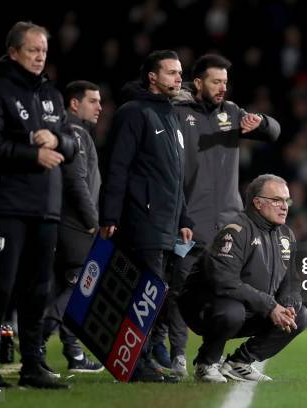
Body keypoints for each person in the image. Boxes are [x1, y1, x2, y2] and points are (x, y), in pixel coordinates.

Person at [151, 53, 281, 376]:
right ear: (198, 83)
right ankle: (177, 354)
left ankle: (219, 358)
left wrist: (261, 123)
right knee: (180, 289)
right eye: (216, 81)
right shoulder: (178, 113)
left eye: (225, 81)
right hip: (190, 221)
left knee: (231, 291)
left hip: (229, 225)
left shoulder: (233, 113)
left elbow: (274, 132)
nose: (223, 87)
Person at [0, 21, 77, 389]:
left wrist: (59, 140)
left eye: (44, 50)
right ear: (14, 51)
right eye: (33, 50)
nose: (39, 56)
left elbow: (72, 144)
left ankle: (33, 364)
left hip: (46, 207)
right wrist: (34, 154)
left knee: (37, 291)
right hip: (8, 204)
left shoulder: (51, 94)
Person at [99, 49, 193, 382]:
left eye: (180, 72)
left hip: (166, 224)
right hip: (142, 220)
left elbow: (174, 175)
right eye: (171, 72)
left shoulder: (170, 115)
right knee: (145, 294)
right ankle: (135, 364)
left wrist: (183, 218)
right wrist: (110, 215)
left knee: (155, 295)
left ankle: (144, 360)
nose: (178, 78)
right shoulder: (133, 112)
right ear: (152, 77)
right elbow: (117, 167)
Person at [179, 174, 307, 383]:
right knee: (232, 311)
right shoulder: (236, 230)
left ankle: (240, 363)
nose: (284, 206)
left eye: (287, 201)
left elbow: (291, 281)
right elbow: (223, 281)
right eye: (277, 200)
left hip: (250, 307)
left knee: (301, 315)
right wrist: (269, 305)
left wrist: (288, 304)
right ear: (257, 203)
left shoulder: (286, 235)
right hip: (204, 307)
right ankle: (206, 363)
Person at [41, 80, 103, 374]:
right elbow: (76, 182)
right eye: (93, 101)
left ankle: (74, 353)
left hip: (67, 224)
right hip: (75, 225)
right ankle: (39, 339)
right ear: (74, 104)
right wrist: (93, 222)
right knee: (78, 289)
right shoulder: (75, 132)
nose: (99, 107)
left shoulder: (76, 133)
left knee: (73, 288)